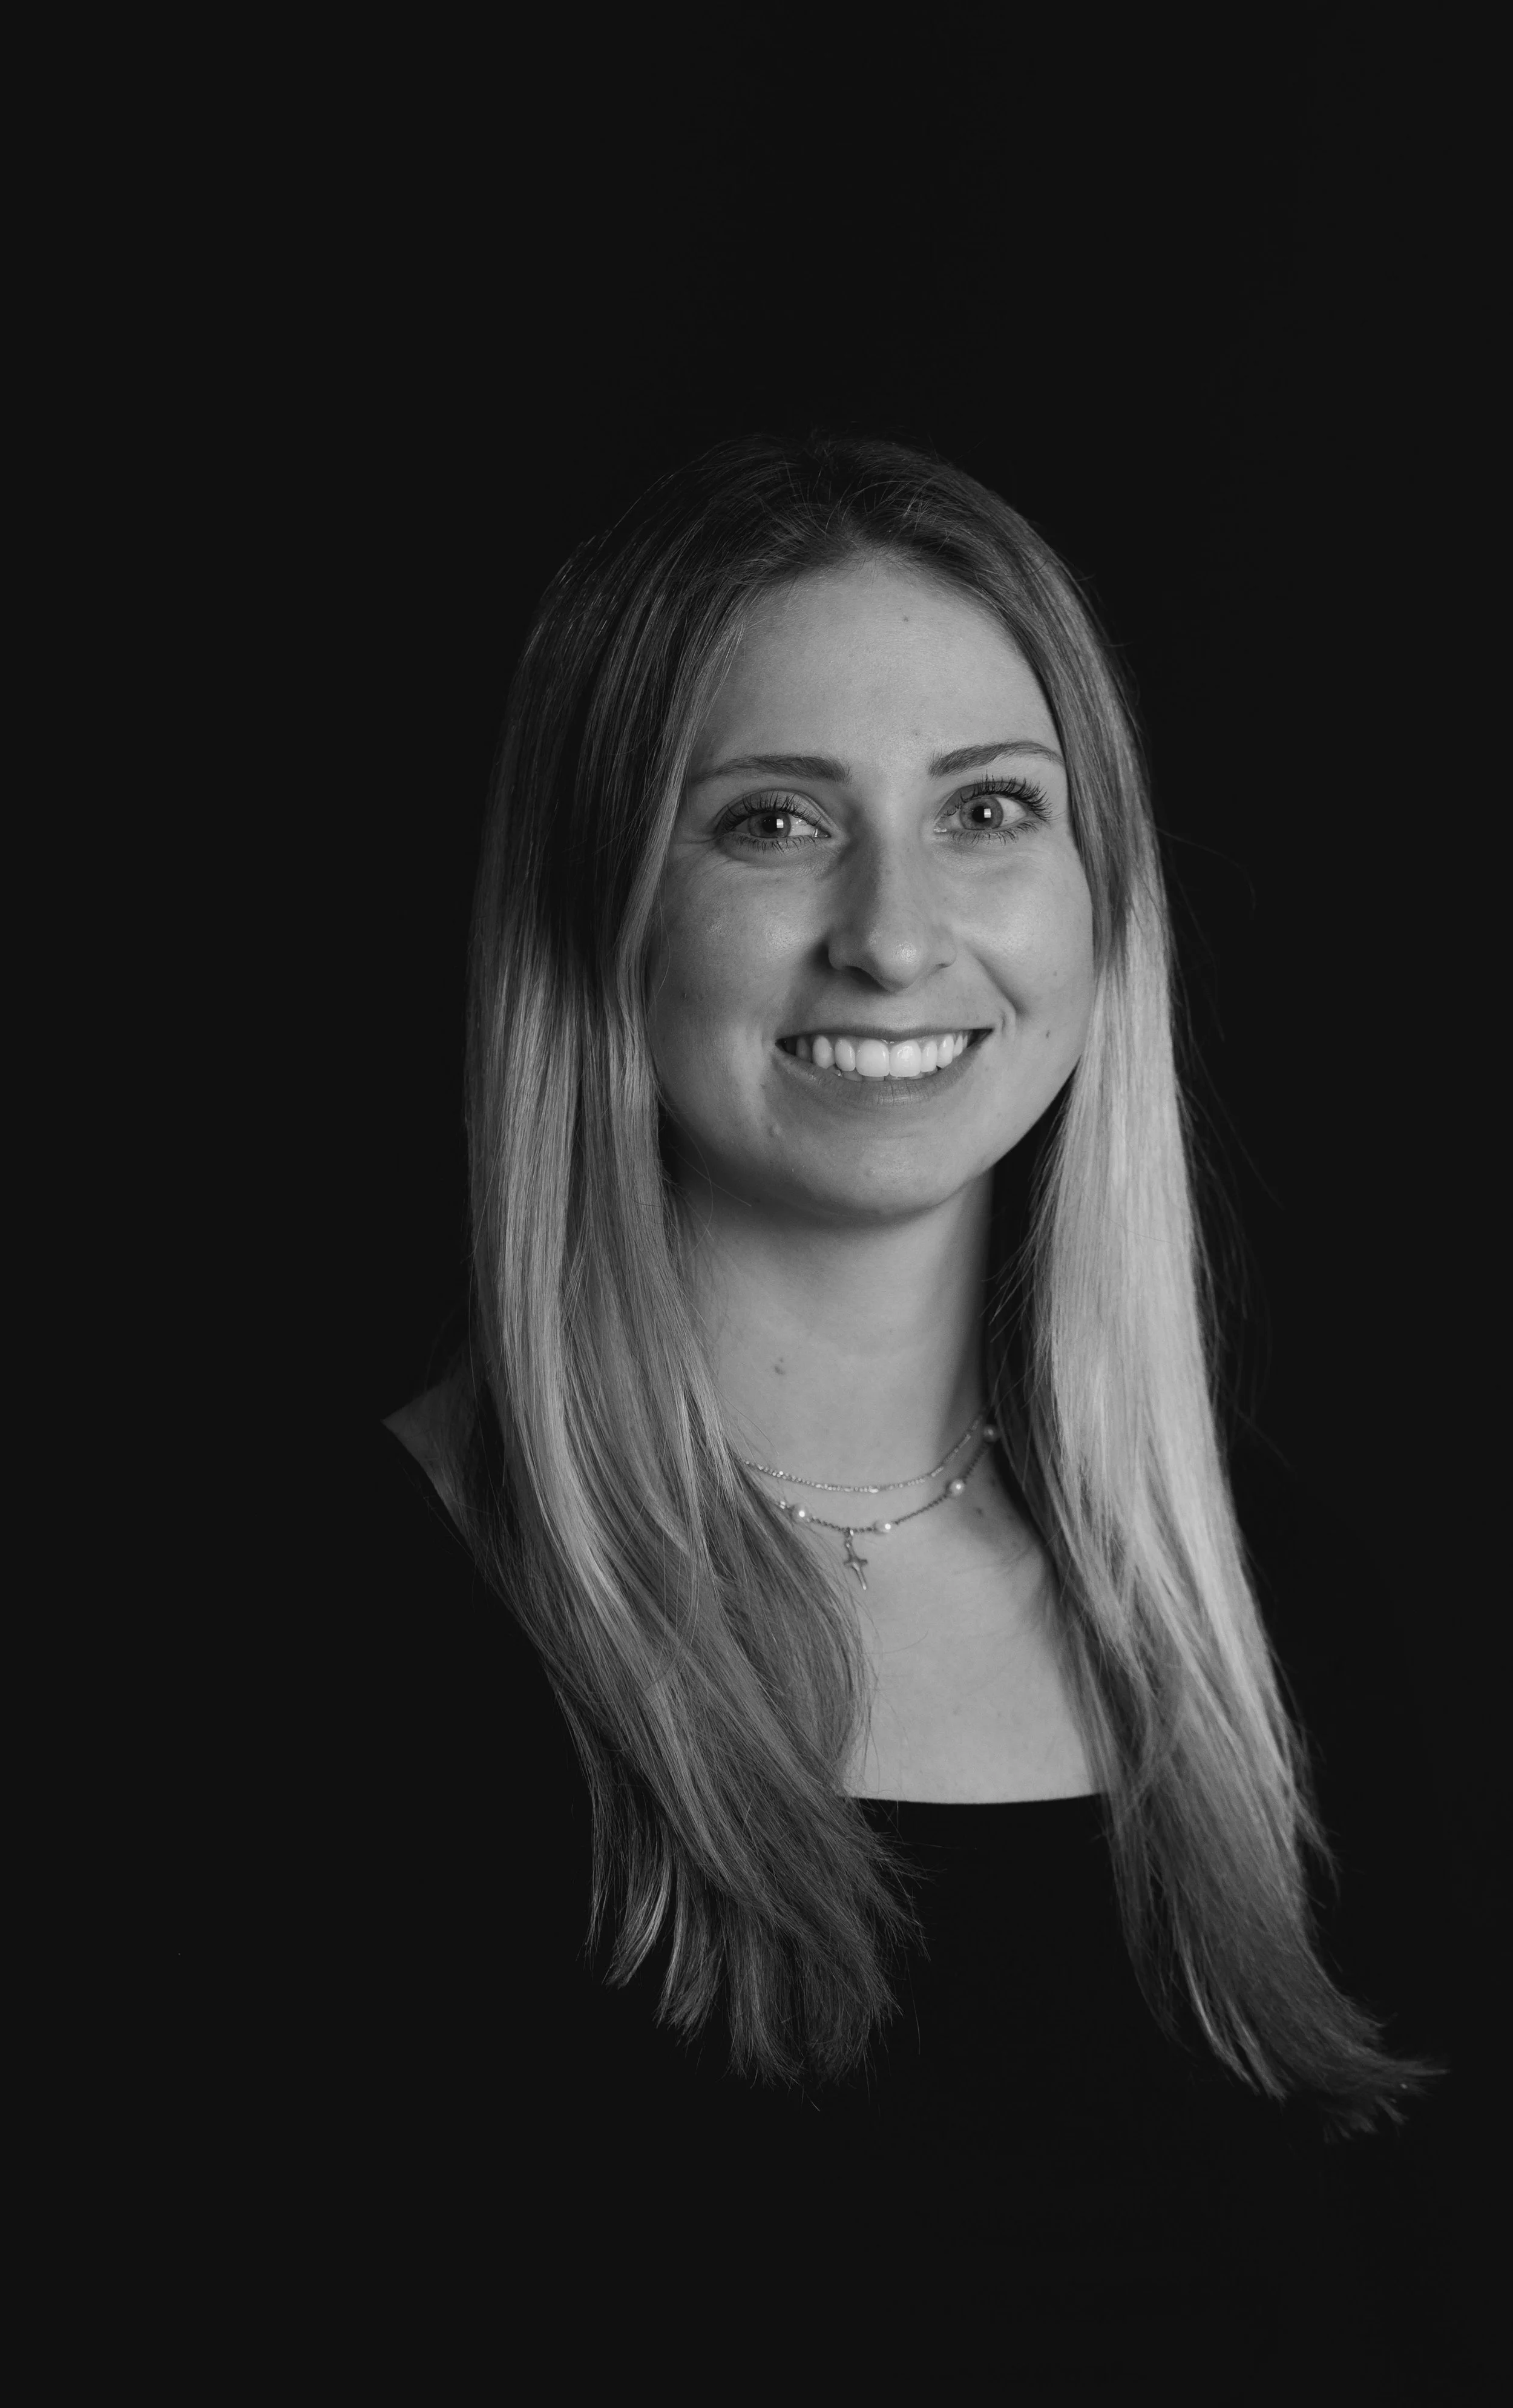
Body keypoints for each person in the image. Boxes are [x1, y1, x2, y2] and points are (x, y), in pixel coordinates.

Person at [367, 434, 1445, 2377]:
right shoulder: (337, 1638)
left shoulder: (1292, 1618)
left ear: (1101, 895)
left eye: (988, 812)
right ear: (596, 899)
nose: (890, 931)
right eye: (772, 822)